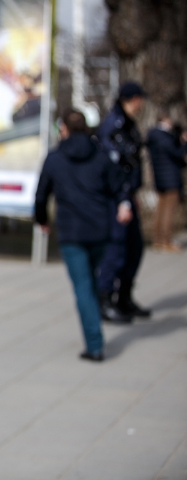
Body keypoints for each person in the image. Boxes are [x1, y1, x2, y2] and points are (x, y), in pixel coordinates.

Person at [35, 109, 130, 362]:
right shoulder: (101, 155)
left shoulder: (55, 158)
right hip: (100, 231)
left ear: (64, 129)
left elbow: (42, 194)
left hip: (72, 234)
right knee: (91, 281)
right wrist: (124, 204)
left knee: (83, 288)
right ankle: (98, 324)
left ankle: (95, 345)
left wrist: (42, 220)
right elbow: (119, 184)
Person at [96, 81, 150, 323]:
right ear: (133, 99)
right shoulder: (114, 125)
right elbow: (115, 168)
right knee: (116, 249)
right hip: (117, 199)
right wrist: (123, 200)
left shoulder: (127, 123)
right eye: (140, 99)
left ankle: (124, 298)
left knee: (135, 248)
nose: (142, 104)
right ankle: (105, 300)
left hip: (127, 196)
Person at [146, 109, 187, 252]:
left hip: (160, 177)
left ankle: (158, 239)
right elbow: (177, 154)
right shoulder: (163, 136)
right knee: (168, 211)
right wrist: (183, 142)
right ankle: (165, 240)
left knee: (161, 210)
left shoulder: (154, 136)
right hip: (170, 178)